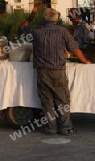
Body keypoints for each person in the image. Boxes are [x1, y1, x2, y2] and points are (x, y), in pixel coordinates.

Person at [27, 8, 91, 136]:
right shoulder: (63, 31)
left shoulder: (36, 31)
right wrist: (85, 61)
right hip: (57, 71)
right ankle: (66, 128)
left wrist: (32, 15)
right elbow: (75, 49)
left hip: (42, 72)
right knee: (62, 100)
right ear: (56, 19)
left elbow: (21, 28)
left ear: (43, 18)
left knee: (47, 101)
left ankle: (51, 128)